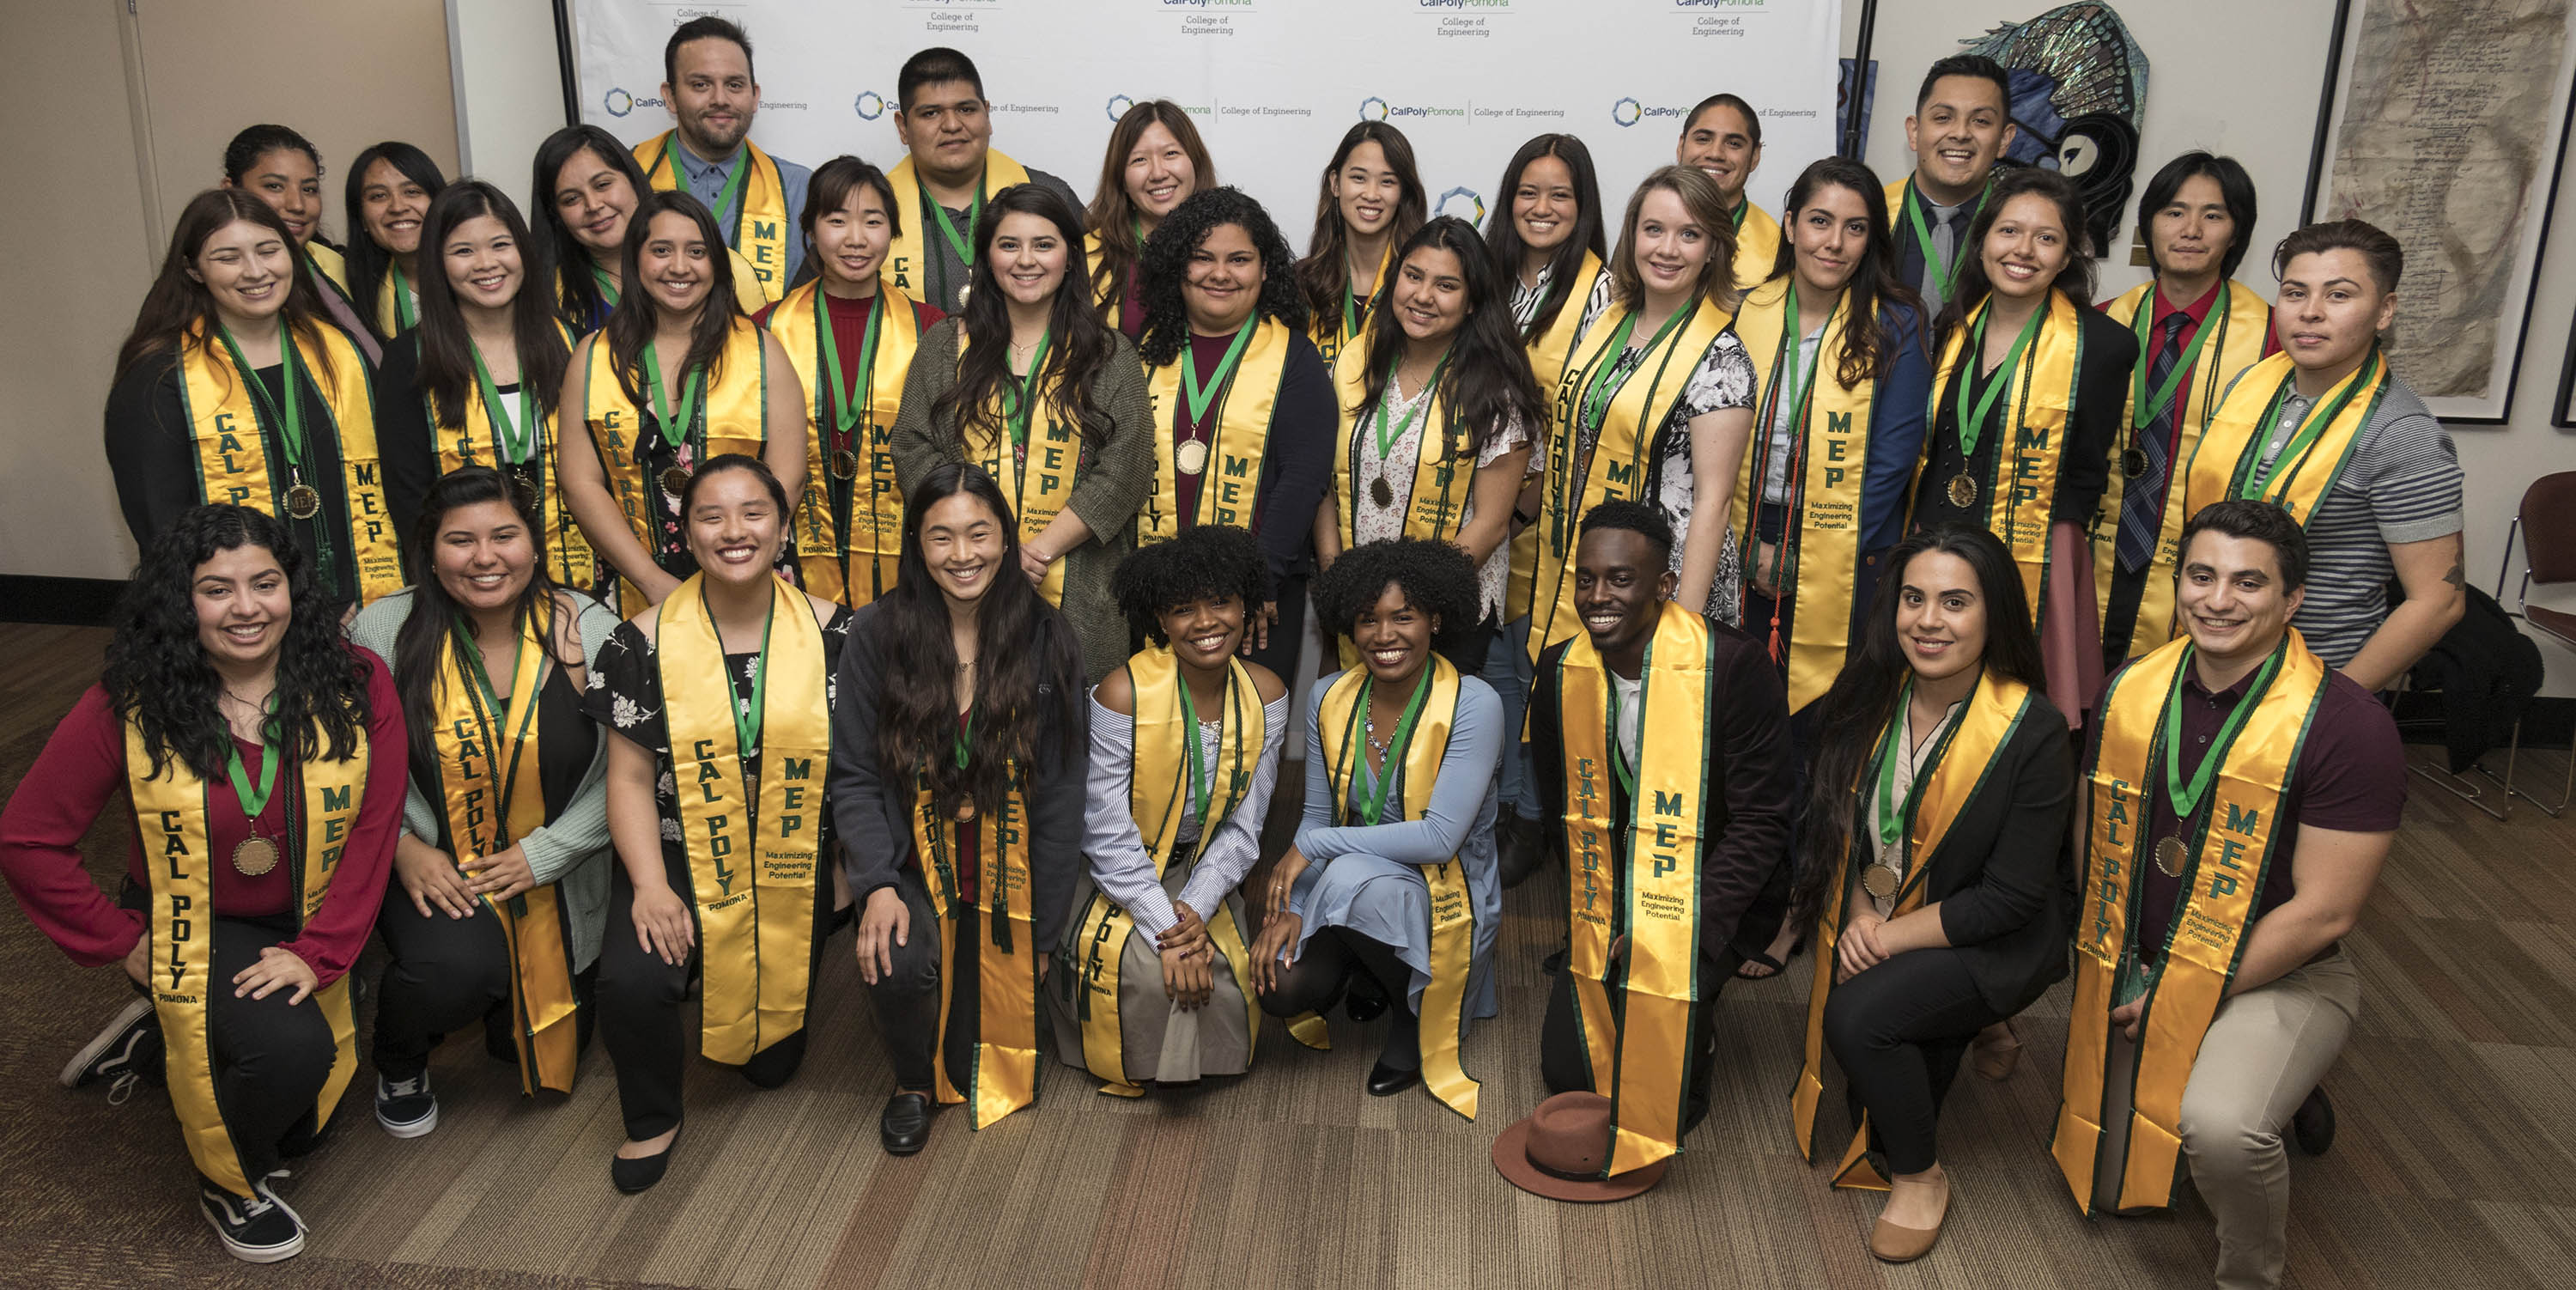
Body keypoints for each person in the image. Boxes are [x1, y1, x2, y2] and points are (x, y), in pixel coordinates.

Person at [3, 505, 401, 1262]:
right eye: (216, 589)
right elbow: (27, 839)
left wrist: (319, 953)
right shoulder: (129, 701)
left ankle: (159, 1044)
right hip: (195, 926)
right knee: (290, 1060)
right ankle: (228, 1180)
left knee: (306, 1128)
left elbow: (374, 833)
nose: (246, 608)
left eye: (265, 584)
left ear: (296, 590)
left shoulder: (356, 681)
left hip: (310, 912)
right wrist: (127, 945)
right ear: (180, 601)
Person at [2056, 500, 2403, 1290]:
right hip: (2136, 960)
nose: (2218, 601)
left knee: (2220, 1130)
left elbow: (2327, 910)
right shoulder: (2132, 690)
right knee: (2113, 1184)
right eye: (2202, 577)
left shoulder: (2347, 725)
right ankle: (2289, 1093)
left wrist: (2186, 991)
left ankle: (2250, 1275)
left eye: (2249, 583)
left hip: (2278, 969)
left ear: (2293, 600)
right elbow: (2092, 828)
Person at [1784, 524, 2073, 1263]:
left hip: (1988, 935)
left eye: (1955, 602)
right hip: (1881, 914)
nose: (1928, 620)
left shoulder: (2032, 730)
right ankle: (1973, 1031)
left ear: (1994, 613)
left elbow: (2009, 899)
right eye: (1914, 598)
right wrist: (1856, 909)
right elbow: (1837, 829)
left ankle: (1923, 1176)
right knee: (1871, 1090)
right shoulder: (1867, 693)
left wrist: (1882, 938)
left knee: (1862, 1022)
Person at [580, 455, 848, 1192]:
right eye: (712, 516)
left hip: (791, 852)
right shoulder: (639, 642)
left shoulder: (837, 636)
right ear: (686, 535)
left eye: (754, 513)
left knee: (772, 1066)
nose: (735, 531)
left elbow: (859, 771)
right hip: (674, 848)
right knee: (633, 980)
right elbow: (629, 778)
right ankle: (652, 1118)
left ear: (784, 525)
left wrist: (850, 870)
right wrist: (647, 886)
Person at [347, 467, 618, 1135]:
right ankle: (401, 1056)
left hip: (557, 870)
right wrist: (403, 848)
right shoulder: (383, 631)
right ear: (431, 553)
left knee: (519, 1044)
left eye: (505, 535)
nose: (485, 557)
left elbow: (630, 775)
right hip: (436, 867)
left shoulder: (590, 627)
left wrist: (545, 853)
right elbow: (340, 767)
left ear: (534, 543)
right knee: (454, 973)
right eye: (460, 541)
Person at [1526, 501, 1793, 1173]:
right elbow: (1567, 810)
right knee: (1571, 1074)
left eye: (1620, 579)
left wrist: (1687, 925)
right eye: (1585, 579)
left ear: (1665, 585)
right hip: (1613, 888)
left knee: (1664, 1102)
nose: (1598, 597)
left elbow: (1764, 823)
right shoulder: (1560, 670)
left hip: (1713, 894)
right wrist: (1601, 915)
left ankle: (1700, 1018)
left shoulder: (1733, 668)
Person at [829, 464, 1088, 1153]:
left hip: (1012, 875)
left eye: (979, 533)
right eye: (941, 538)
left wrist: (1047, 930)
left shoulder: (1047, 638)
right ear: (916, 544)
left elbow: (1063, 794)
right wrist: (877, 882)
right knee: (899, 957)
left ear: (1006, 539)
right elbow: (853, 774)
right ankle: (911, 1083)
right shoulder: (876, 634)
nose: (963, 554)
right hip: (913, 863)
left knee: (994, 1008)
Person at [1723, 156, 1935, 983]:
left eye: (1855, 227)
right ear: (1792, 222)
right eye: (1819, 221)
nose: (1835, 242)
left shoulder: (1899, 323)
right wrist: (1747, 542)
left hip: (1846, 555)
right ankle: (1736, 889)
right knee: (1739, 731)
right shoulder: (1745, 308)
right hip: (1739, 535)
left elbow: (1892, 461)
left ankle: (1794, 910)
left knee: (1816, 743)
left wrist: (1806, 551)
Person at [1251, 538, 1503, 1115]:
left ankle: (1415, 1018)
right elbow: (1316, 816)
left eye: (1403, 617)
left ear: (1435, 620)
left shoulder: (1474, 702)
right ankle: (1369, 961)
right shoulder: (1328, 696)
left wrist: (1313, 849)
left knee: (1349, 878)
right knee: (1281, 987)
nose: (1384, 635)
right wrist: (1290, 907)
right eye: (1369, 619)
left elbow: (1440, 837)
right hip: (1357, 873)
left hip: (1446, 885)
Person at [1048, 526, 1293, 1092]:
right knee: (1147, 971)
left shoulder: (1268, 695)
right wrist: (1167, 925)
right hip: (1118, 868)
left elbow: (1244, 827)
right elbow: (1106, 831)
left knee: (1223, 971)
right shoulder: (1122, 693)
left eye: (1220, 603)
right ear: (1159, 620)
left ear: (1244, 606)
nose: (1206, 623)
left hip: (1203, 865)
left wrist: (1196, 909)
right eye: (1183, 609)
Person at [2179, 220, 2465, 690]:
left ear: (2384, 311)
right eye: (2295, 293)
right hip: (2209, 660)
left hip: (2316, 673)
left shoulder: (2402, 433)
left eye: (2338, 295)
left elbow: (2440, 601)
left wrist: (2335, 705)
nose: (2310, 312)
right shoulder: (2247, 389)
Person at [890, 183, 1154, 684]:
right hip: (964, 577)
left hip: (1081, 592)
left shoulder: (1109, 353)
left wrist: (1033, 553)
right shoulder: (945, 344)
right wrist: (985, 544)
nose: (1025, 260)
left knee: (1074, 743)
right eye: (1009, 245)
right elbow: (910, 445)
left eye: (1044, 244)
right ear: (987, 257)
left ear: (1071, 258)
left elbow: (1127, 470)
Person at [105, 188, 404, 608]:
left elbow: (395, 480)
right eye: (228, 258)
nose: (255, 271)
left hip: (363, 603)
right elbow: (161, 523)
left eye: (269, 251)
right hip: (240, 616)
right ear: (193, 269)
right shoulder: (159, 378)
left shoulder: (343, 351)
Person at [1908, 166, 2133, 715]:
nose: (2024, 250)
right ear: (1982, 239)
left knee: (2017, 719)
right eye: (2009, 231)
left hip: (2037, 554)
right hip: (1934, 546)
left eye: (2046, 237)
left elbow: (2087, 473)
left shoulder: (2104, 347)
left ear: (2067, 255)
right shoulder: (1946, 328)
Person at [1526, 165, 1753, 667]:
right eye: (1654, 230)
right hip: (1595, 576)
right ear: (1633, 236)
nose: (1667, 249)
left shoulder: (1723, 359)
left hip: (1667, 585)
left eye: (1689, 234)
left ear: (1714, 248)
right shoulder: (1608, 324)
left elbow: (1713, 504)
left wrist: (1682, 629)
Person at [557, 190, 807, 615]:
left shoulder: (763, 352)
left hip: (749, 576)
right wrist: (654, 583)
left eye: (697, 251)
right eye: (660, 250)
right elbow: (580, 483)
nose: (679, 267)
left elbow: (790, 475)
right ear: (635, 260)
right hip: (636, 582)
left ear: (717, 263)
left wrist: (736, 567)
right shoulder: (592, 357)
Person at [1132, 186, 1334, 681]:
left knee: (1244, 738)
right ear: (1179, 266)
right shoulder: (1141, 353)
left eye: (1239, 259)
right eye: (1202, 258)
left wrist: (1255, 583)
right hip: (1152, 592)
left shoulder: (1295, 359)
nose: (1220, 274)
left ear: (1265, 270)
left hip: (1255, 602)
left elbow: (1304, 478)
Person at [1483, 132, 1609, 881]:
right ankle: (1499, 808)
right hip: (1479, 513)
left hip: (1548, 520)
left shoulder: (1604, 292)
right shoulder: (1488, 274)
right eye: (1529, 191)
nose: (1542, 207)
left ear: (1583, 204)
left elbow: (1595, 417)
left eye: (1560, 194)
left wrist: (1527, 503)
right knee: (1495, 674)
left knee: (1535, 671)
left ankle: (1531, 819)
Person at [2094, 154, 2275, 666]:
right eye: (2174, 212)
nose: (2191, 230)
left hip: (2209, 567)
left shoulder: (2272, 339)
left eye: (2213, 215)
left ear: (2237, 232)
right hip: (2097, 549)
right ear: (2148, 224)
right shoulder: (2099, 326)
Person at [374, 180, 592, 592]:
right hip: (470, 579)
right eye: (463, 251)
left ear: (523, 251)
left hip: (578, 575)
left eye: (500, 245)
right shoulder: (409, 358)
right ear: (438, 263)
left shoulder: (576, 344)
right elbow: (408, 497)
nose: (486, 263)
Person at [757, 156, 948, 606]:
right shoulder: (766, 329)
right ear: (811, 228)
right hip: (794, 545)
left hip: (905, 541)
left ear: (893, 232)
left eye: (873, 221)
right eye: (837, 220)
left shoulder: (931, 327)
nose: (856, 239)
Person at [883, 46, 1087, 314]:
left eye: (966, 109)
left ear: (987, 115)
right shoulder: (871, 210)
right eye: (931, 113)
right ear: (902, 127)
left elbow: (1094, 298)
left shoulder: (1051, 195)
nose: (952, 125)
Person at [629, 16, 812, 301]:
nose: (720, 99)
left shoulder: (800, 189)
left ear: (755, 96)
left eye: (735, 85)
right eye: (701, 85)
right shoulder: (626, 177)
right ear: (670, 97)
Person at [533, 125, 769, 333]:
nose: (593, 205)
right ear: (556, 214)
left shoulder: (726, 267)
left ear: (633, 181)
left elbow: (758, 364)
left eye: (603, 185)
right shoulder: (549, 296)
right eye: (571, 199)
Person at [222, 125, 377, 361]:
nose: (297, 204)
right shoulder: (218, 283)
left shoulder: (336, 267)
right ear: (230, 190)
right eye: (274, 186)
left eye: (309, 189)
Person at [1887, 55, 2016, 318]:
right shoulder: (1868, 215)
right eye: (1944, 117)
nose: (1960, 133)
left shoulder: (2021, 233)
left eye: (1980, 121)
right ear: (1914, 132)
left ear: (2004, 139)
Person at [1295, 122, 1429, 368]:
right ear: (1335, 184)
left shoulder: (1421, 289)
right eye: (1359, 178)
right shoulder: (1303, 283)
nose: (1371, 194)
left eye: (1387, 182)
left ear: (1403, 193)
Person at [1085, 100, 1215, 338]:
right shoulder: (1086, 257)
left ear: (1195, 162)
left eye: (1171, 154)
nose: (1158, 173)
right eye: (1139, 160)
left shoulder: (1232, 244)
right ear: (1121, 178)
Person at [343, 141, 447, 344]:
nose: (398, 207)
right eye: (379, 196)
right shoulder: (349, 295)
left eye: (412, 192)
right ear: (362, 218)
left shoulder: (475, 276)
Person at [1675, 93, 1779, 295]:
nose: (1715, 153)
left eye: (1733, 144)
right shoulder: (1646, 227)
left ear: (1755, 156)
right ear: (1681, 146)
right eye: (1703, 139)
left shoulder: (1776, 249)